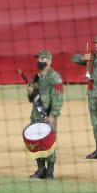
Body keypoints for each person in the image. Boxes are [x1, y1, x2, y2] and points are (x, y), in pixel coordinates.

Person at [24, 50, 64, 180]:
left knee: (49, 142)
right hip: (36, 114)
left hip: (48, 115)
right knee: (36, 141)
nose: (40, 62)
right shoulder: (36, 77)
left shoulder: (55, 77)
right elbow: (31, 99)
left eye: (43, 59)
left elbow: (58, 99)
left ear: (50, 61)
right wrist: (30, 92)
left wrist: (53, 115)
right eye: (39, 59)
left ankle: (50, 171)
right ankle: (41, 169)